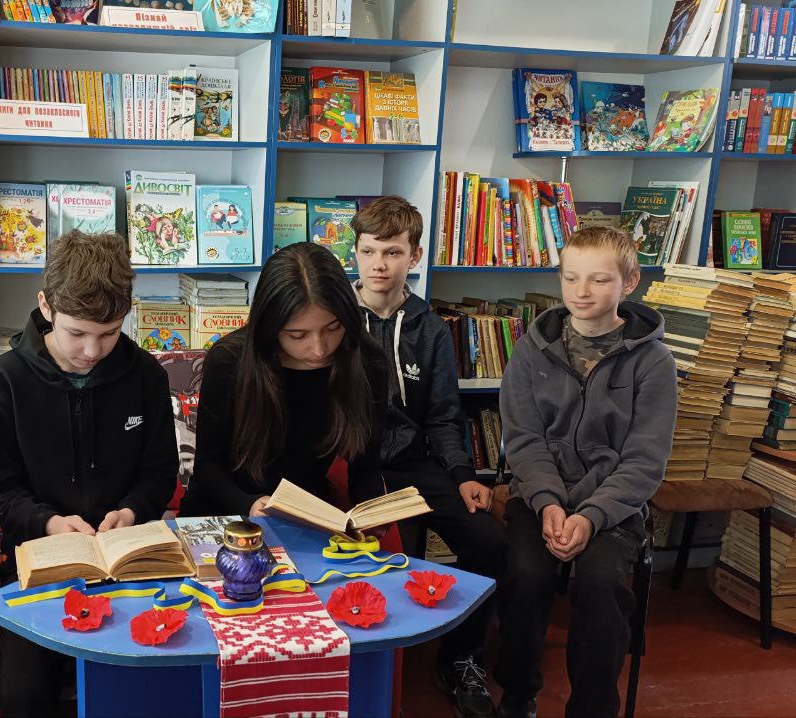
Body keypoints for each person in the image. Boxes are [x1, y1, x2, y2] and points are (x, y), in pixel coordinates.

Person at [0, 230, 177, 717]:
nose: (92, 350)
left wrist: (131, 511)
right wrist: (48, 523)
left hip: (129, 560)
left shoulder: (146, 375)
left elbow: (159, 472)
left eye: (109, 333)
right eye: (77, 333)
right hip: (40, 565)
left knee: (155, 679)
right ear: (46, 306)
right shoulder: (6, 380)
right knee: (24, 697)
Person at [495, 226, 676, 718]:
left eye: (598, 279)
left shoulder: (653, 362)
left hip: (613, 506)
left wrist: (591, 516)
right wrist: (548, 503)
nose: (581, 291)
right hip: (539, 496)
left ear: (629, 282)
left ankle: (592, 709)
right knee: (525, 574)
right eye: (570, 277)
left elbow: (645, 460)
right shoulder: (531, 350)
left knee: (601, 585)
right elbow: (524, 440)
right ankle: (517, 695)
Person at [353, 195, 507, 718]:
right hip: (351, 465)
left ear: (414, 256)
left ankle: (461, 656)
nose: (378, 264)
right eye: (368, 251)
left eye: (392, 252)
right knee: (367, 549)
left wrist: (462, 474)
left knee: (488, 542)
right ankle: (357, 656)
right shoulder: (334, 320)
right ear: (355, 253)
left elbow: (443, 414)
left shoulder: (431, 329)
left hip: (414, 464)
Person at [179, 242, 390, 519]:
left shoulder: (368, 363)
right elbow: (208, 467)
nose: (319, 349)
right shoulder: (230, 361)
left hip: (305, 516)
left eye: (333, 327)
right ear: (271, 328)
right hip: (222, 512)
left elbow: (365, 468)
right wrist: (249, 504)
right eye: (297, 335)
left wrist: (372, 515)